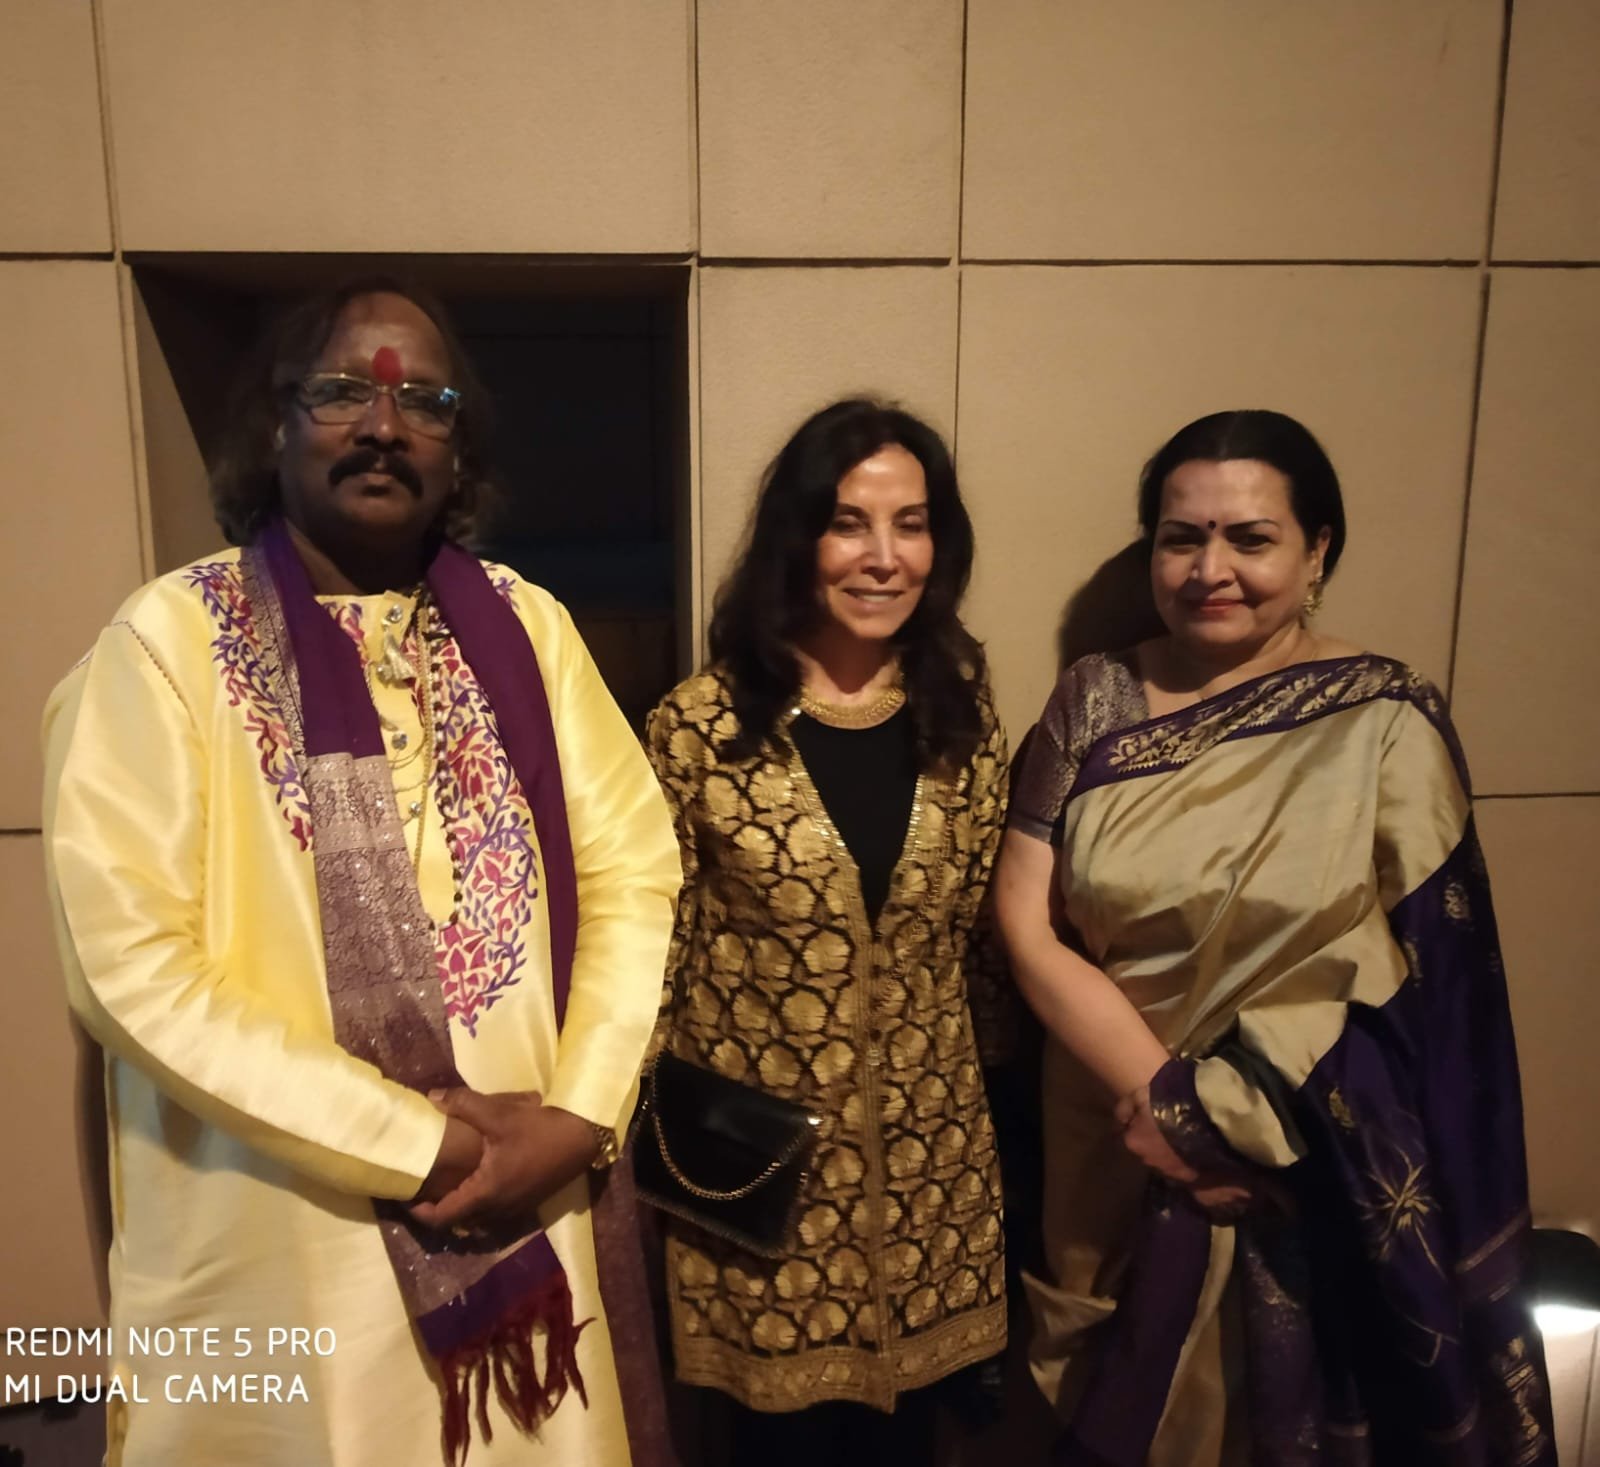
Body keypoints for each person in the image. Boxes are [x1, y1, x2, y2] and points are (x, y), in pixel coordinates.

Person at [40, 278, 682, 1467]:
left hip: (528, 1205)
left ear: (459, 447)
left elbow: (633, 871)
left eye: (423, 404)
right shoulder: (164, 645)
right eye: (341, 392)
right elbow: (128, 967)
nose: (382, 427)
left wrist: (581, 1114)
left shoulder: (526, 630)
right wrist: (410, 1140)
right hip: (286, 1239)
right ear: (274, 424)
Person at [994, 409, 1557, 1466]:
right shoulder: (1095, 700)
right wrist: (1167, 1106)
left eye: (1249, 539)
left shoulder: (1385, 716)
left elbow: (1430, 986)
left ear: (1316, 552)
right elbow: (1023, 921)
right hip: (1112, 1153)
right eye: (1180, 536)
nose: (1211, 568)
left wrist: (1225, 1119)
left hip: (1303, 1159)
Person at [644, 399, 1010, 1465]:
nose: (883, 558)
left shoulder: (963, 715)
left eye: (913, 524)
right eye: (850, 522)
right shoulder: (698, 728)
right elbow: (652, 957)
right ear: (798, 537)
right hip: (757, 1188)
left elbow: (983, 949)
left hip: (934, 1175)